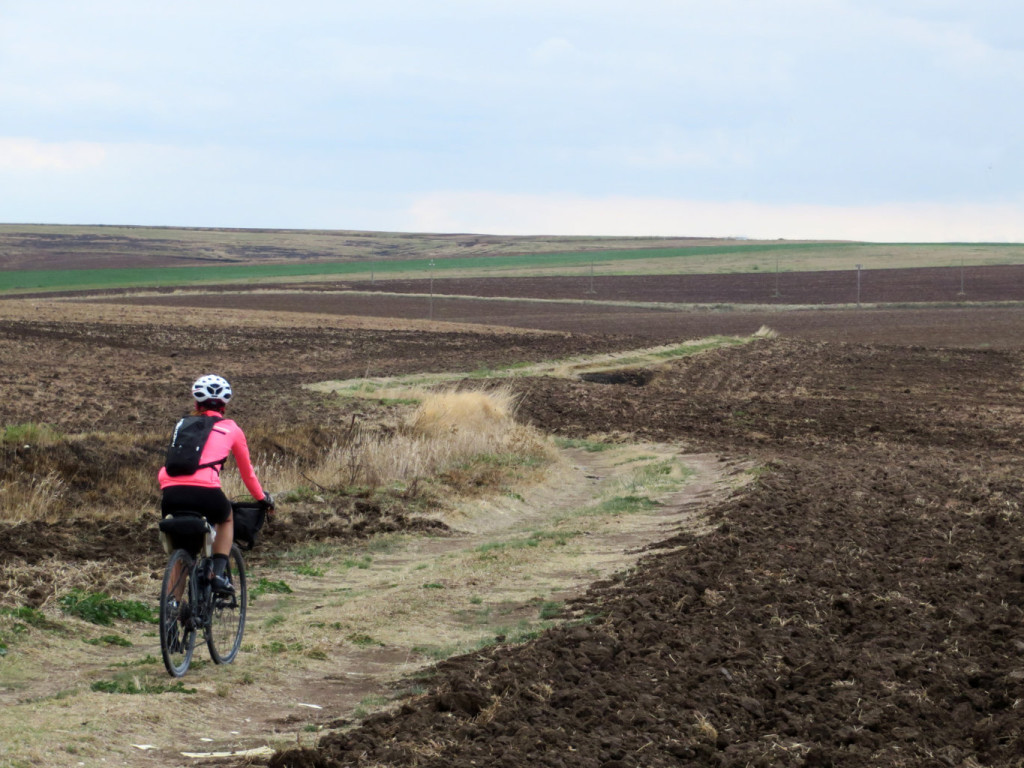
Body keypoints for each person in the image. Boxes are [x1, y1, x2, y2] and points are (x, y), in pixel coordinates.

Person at [159, 374, 274, 594]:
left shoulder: (182, 425)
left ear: (196, 404)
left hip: (171, 494)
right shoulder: (231, 429)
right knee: (226, 515)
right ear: (224, 406)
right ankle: (217, 574)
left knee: (184, 551)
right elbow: (247, 474)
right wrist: (262, 498)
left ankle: (172, 606)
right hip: (206, 493)